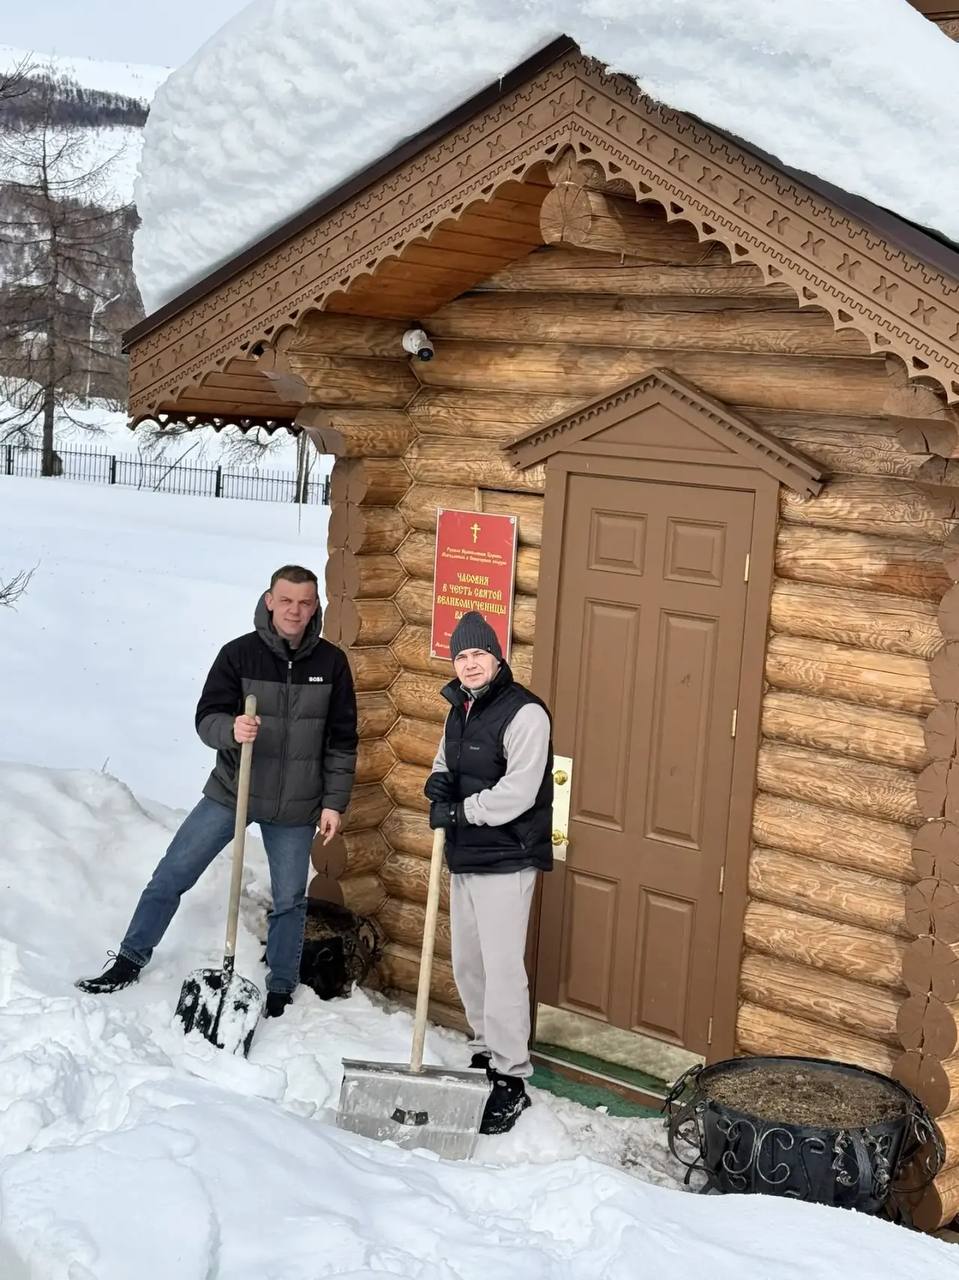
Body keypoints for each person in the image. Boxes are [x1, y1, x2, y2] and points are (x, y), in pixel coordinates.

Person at [76, 565, 358, 1017]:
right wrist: (232, 728)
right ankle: (130, 957)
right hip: (234, 789)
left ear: (315, 606)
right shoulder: (239, 656)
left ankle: (281, 986)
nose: (295, 610)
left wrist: (332, 803)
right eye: (286, 600)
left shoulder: (330, 664)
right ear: (269, 600)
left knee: (290, 899)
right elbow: (206, 718)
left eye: (305, 602)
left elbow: (342, 741)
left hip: (297, 803)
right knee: (172, 872)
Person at [424, 610, 553, 1135]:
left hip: (506, 855)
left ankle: (511, 1073)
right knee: (468, 964)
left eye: (478, 654)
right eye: (462, 656)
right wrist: (437, 785)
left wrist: (461, 812)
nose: (470, 663)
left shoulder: (526, 715)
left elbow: (519, 792)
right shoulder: (459, 708)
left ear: (498, 658)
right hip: (465, 855)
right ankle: (484, 1049)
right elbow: (443, 762)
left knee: (502, 970)